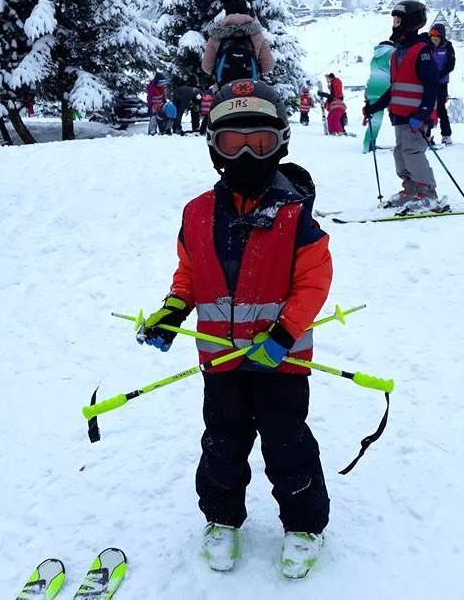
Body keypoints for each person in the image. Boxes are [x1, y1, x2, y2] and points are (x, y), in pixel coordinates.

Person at [139, 80, 332, 578]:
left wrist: (284, 335)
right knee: (222, 439)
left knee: (286, 440)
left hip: (281, 359)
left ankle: (304, 525)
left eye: (260, 142)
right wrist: (172, 310)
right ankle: (221, 518)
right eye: (233, 142)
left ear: (281, 142)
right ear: (213, 146)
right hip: (219, 359)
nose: (246, 154)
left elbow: (314, 281)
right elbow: (189, 272)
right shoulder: (197, 212)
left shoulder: (294, 212)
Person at [363, 0, 440, 211]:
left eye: (398, 20)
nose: (394, 24)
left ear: (410, 23)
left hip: (416, 117)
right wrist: (374, 107)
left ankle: (428, 193)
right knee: (400, 153)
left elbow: (432, 85)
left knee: (412, 152)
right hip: (401, 116)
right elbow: (395, 88)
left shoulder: (422, 51)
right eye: (394, 20)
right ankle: (411, 189)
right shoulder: (398, 52)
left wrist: (423, 114)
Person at [202, 0, 274, 86]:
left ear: (227, 11)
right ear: (245, 11)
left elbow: (207, 67)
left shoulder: (217, 34)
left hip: (224, 89)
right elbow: (268, 65)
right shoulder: (256, 34)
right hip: (250, 88)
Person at [362, 39, 395, 153]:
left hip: (372, 89)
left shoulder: (375, 57)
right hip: (388, 89)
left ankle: (368, 145)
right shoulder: (393, 53)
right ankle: (405, 142)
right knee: (399, 117)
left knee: (375, 120)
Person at [429, 23, 455, 145]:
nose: (434, 41)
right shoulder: (427, 46)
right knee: (427, 108)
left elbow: (451, 65)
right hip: (428, 82)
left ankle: (446, 135)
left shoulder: (447, 46)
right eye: (432, 39)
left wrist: (439, 75)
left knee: (440, 108)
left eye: (436, 39)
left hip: (441, 83)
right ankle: (427, 135)